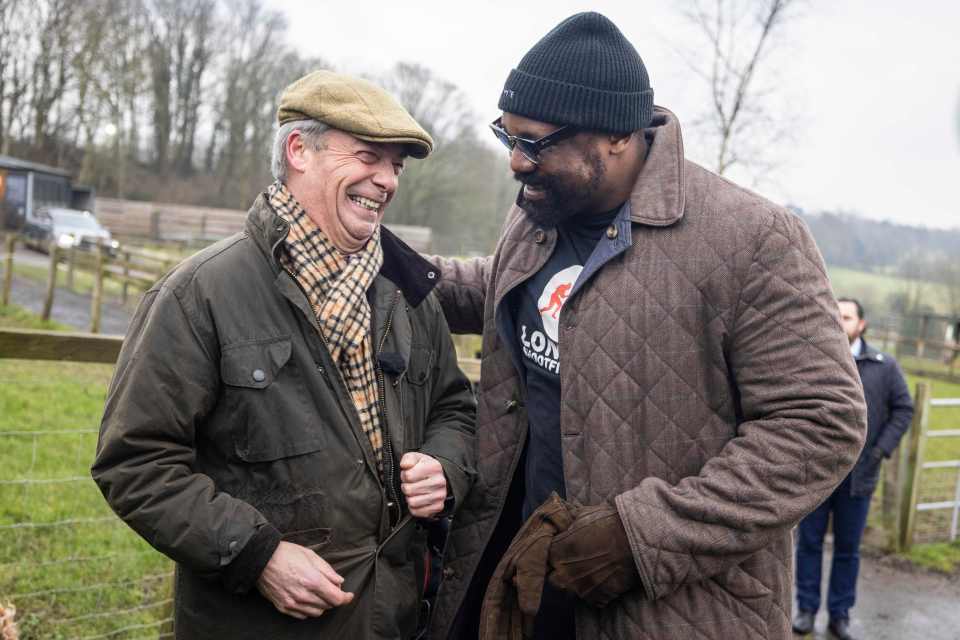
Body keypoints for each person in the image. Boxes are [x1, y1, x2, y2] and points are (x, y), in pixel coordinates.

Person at [425, 12, 867, 640]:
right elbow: (495, 285)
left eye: (537, 143)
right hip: (524, 578)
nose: (517, 163)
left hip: (674, 608)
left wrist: (643, 537)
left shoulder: (752, 239)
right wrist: (379, 260)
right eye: (508, 138)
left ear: (615, 137)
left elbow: (820, 424)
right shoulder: (540, 209)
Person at [91, 70, 477, 640]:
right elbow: (135, 463)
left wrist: (444, 465)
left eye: (396, 165)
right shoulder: (201, 292)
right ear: (299, 150)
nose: (387, 180)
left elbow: (455, 408)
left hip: (392, 619)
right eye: (369, 156)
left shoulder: (408, 292)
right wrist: (258, 555)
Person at [793, 298, 914, 640]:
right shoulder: (814, 359)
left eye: (846, 316)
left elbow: (904, 408)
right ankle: (805, 610)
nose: (839, 320)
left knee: (848, 549)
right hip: (816, 473)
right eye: (836, 313)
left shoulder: (884, 367)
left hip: (859, 476)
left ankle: (840, 615)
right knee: (809, 544)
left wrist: (879, 451)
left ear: (861, 324)